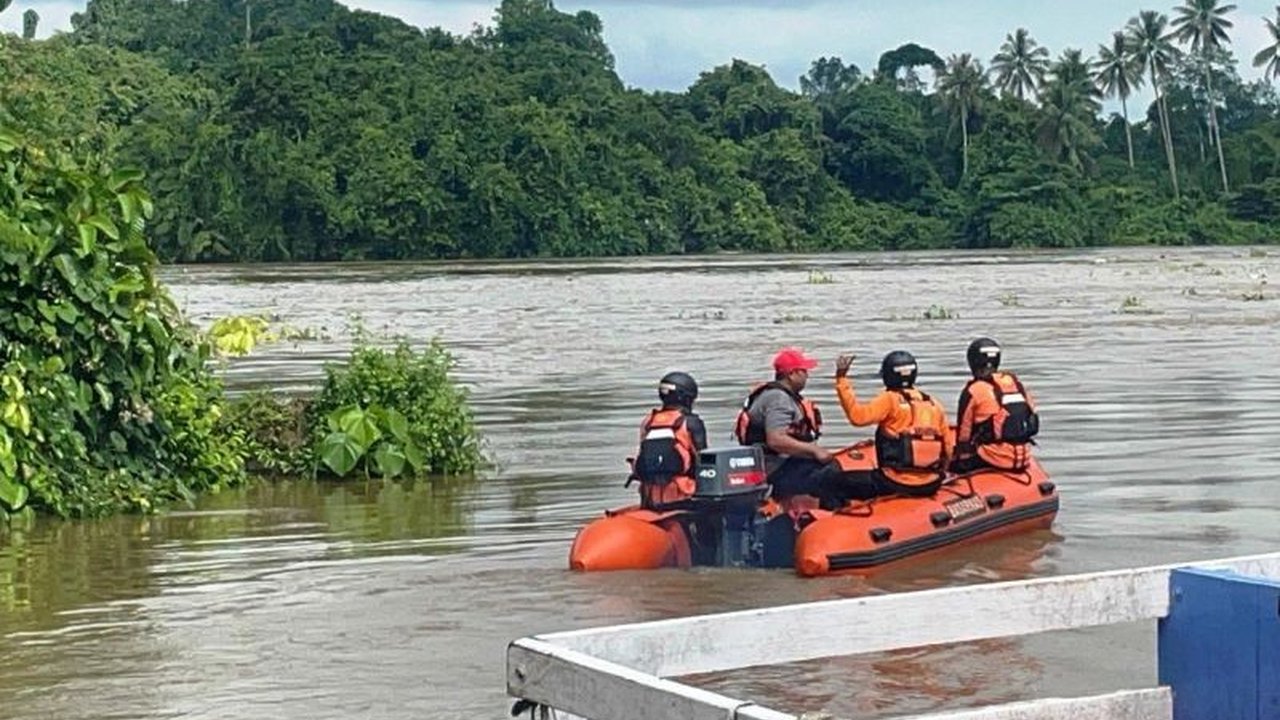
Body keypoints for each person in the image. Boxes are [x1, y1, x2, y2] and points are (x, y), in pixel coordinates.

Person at [829, 350, 952, 501]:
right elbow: (948, 449)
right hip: (931, 484)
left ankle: (841, 519)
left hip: (895, 482)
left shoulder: (889, 399)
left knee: (835, 481)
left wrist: (842, 380)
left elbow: (858, 418)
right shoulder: (933, 404)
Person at [734, 347, 834, 501]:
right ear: (792, 374)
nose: (807, 375)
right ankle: (831, 515)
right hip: (774, 468)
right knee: (830, 472)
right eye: (804, 371)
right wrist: (814, 450)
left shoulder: (780, 395)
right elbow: (776, 440)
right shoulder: (778, 399)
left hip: (777, 463)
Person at [952, 337, 1040, 474]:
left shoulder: (973, 390)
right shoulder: (1017, 385)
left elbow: (964, 434)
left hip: (992, 458)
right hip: (1023, 457)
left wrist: (958, 461)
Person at [631, 371, 708, 508]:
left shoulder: (648, 422)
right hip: (684, 497)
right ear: (686, 398)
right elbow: (704, 463)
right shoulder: (691, 423)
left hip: (650, 499)